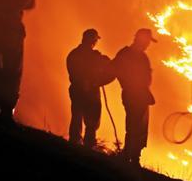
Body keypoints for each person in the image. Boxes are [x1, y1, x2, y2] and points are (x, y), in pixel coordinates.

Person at [113, 28, 157, 166]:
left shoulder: (135, 55)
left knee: (138, 126)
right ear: (141, 40)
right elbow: (116, 70)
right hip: (134, 95)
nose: (148, 44)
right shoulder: (129, 55)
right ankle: (130, 157)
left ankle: (132, 155)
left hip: (140, 96)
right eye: (148, 41)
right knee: (134, 126)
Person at [66, 29, 114, 147]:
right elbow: (111, 69)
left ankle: (74, 142)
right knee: (92, 120)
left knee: (77, 115)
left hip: (76, 90)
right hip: (91, 92)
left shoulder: (73, 54)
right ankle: (89, 144)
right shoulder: (96, 57)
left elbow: (72, 72)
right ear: (93, 41)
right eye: (96, 40)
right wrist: (97, 82)